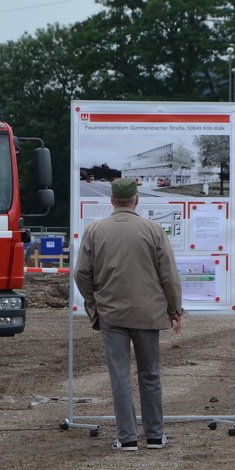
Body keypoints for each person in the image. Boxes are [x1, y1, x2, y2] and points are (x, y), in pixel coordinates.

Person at [74, 178, 185, 452]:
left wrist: (94, 302)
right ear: (137, 200)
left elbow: (81, 273)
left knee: (120, 376)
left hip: (112, 314)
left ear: (112, 200)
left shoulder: (94, 230)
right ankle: (156, 436)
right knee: (150, 374)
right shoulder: (154, 229)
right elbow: (169, 276)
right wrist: (174, 310)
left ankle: (127, 438)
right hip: (148, 313)